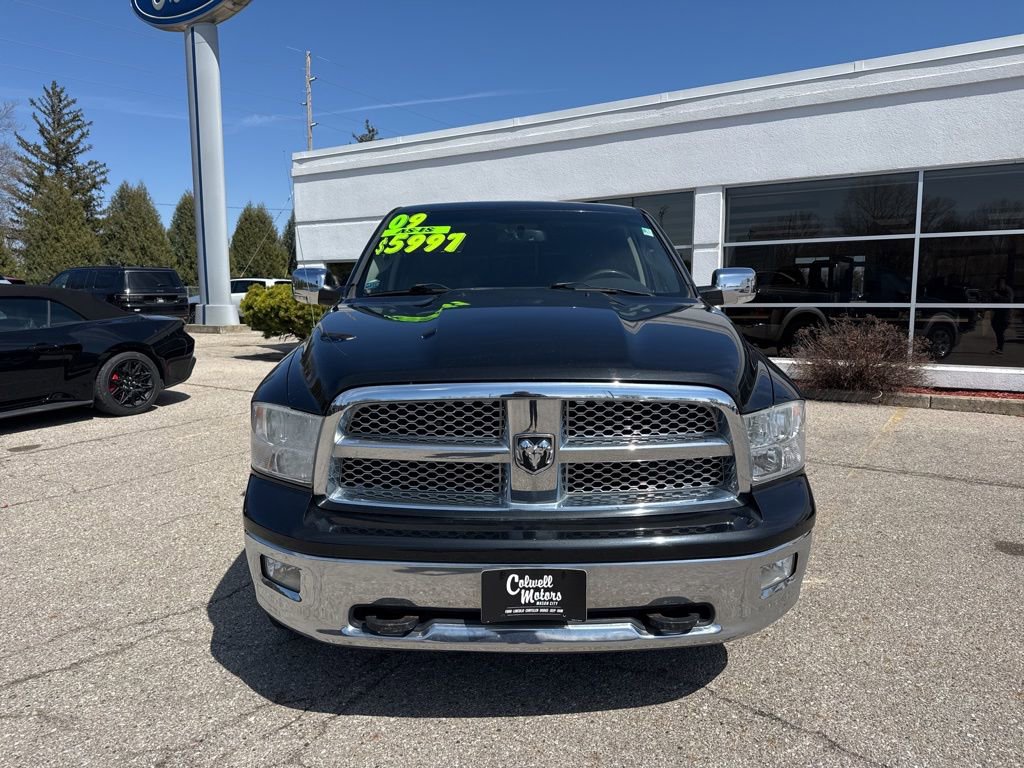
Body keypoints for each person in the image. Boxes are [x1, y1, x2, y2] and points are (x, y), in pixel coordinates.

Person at [991, 277, 1014, 354]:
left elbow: (1008, 301)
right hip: (998, 314)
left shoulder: (1007, 290)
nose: (999, 285)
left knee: (1000, 331)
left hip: (1005, 315)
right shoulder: (998, 290)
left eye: (1001, 283)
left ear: (1004, 283)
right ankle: (999, 347)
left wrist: (998, 296)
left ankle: (1000, 348)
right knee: (996, 328)